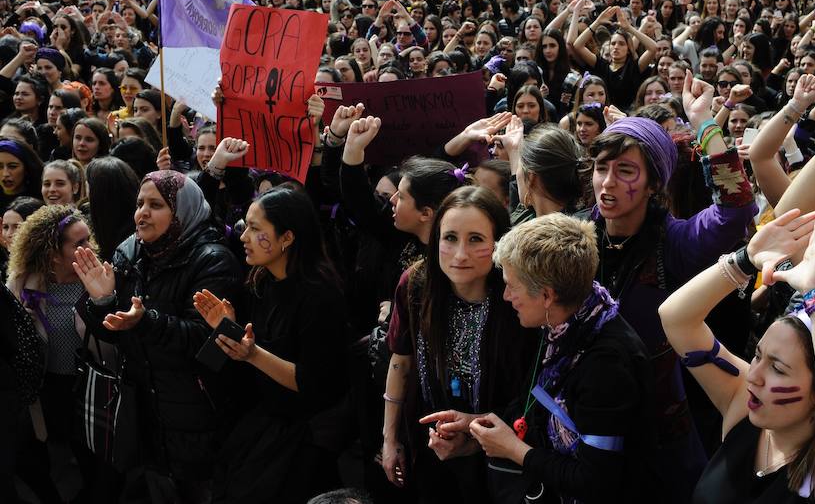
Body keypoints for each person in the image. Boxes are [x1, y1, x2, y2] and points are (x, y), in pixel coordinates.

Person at [587, 72, 758, 502]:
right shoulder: (575, 237)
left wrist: (704, 124)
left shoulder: (676, 242)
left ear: (653, 184)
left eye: (625, 170)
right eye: (601, 168)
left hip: (660, 433)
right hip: (586, 422)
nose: (608, 183)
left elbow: (735, 210)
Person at [660, 208, 815, 503]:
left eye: (779, 369)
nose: (753, 375)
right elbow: (676, 320)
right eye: (758, 356)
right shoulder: (742, 408)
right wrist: (746, 259)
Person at [425, 213, 658, 502]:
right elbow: (532, 408)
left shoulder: (606, 366)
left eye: (512, 285)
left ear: (547, 296)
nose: (506, 296)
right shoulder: (563, 325)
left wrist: (514, 450)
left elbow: (595, 480)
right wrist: (475, 430)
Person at [71, 170, 243, 502]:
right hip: (147, 411)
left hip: (199, 412)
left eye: (156, 204)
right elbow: (115, 332)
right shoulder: (130, 253)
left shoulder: (212, 260)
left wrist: (146, 322)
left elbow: (210, 344)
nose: (142, 213)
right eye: (139, 204)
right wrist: (102, 301)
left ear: (182, 211)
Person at [193, 186, 349, 502]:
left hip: (301, 438)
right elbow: (245, 352)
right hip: (262, 423)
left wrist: (252, 354)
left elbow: (312, 382)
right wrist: (228, 329)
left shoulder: (320, 295)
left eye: (255, 228)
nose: (243, 237)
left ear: (286, 238)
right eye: (245, 226)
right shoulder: (261, 281)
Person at [381, 186, 534, 502]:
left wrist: (473, 439)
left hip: (500, 453)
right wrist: (390, 438)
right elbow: (401, 361)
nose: (460, 254)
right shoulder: (415, 285)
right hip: (428, 443)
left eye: (476, 239)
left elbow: (529, 394)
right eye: (449, 238)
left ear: (497, 243)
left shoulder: (517, 299)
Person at [8, 205, 121, 503]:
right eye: (79, 244)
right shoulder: (23, 283)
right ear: (53, 254)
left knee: (95, 462)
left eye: (88, 240)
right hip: (47, 389)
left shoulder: (104, 277)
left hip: (91, 388)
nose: (89, 249)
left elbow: (115, 341)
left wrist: (103, 299)